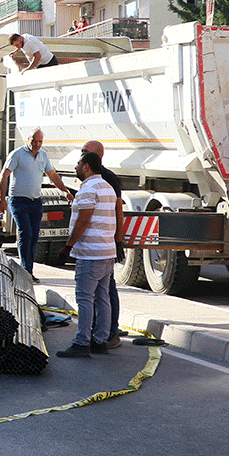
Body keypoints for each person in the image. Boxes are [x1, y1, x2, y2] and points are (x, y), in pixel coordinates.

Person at [55, 152, 118, 357]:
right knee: (103, 299)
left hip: (91, 254)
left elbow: (83, 220)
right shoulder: (107, 187)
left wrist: (67, 246)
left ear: (87, 167)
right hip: (107, 251)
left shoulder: (88, 189)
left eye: (78, 164)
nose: (76, 167)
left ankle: (82, 343)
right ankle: (100, 341)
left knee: (85, 299)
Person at [0, 128, 74, 280]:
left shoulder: (43, 155)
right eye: (34, 141)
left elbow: (52, 175)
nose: (37, 145)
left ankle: (27, 268)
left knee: (34, 236)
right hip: (18, 201)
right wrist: (2, 198)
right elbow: (3, 176)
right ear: (28, 139)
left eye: (40, 142)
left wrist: (64, 191)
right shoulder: (17, 154)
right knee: (26, 233)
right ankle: (26, 271)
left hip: (35, 202)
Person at [83, 139, 126, 348]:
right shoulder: (89, 178)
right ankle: (101, 330)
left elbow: (118, 209)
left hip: (105, 244)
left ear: (98, 155)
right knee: (101, 292)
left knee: (107, 290)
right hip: (98, 244)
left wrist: (118, 240)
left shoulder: (109, 178)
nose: (81, 156)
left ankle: (111, 331)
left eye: (85, 152)